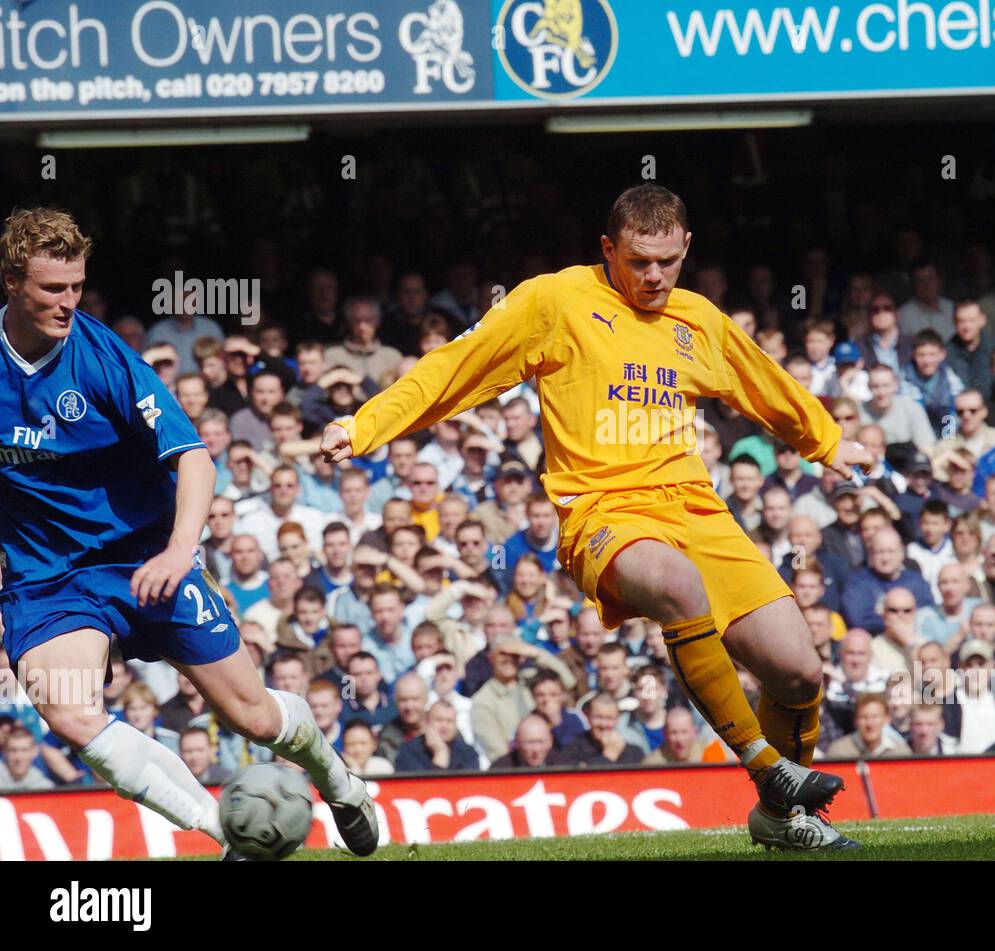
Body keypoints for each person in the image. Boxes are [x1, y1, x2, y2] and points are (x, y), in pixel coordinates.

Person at [321, 185, 874, 850]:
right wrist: (364, 425)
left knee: (800, 672)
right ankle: (764, 764)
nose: (654, 276)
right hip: (602, 512)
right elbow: (453, 368)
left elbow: (766, 382)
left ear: (686, 249)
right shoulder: (553, 301)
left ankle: (779, 820)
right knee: (676, 586)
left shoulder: (697, 319)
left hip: (696, 508)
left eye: (668, 261)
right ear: (607, 248)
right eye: (639, 261)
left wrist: (828, 440)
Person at [0, 209, 376, 860]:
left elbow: (194, 457)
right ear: (10, 281)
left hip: (148, 556)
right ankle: (226, 830)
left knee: (253, 716)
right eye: (51, 289)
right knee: (70, 711)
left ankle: (339, 781)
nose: (69, 302)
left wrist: (179, 550)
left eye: (76, 286)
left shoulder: (104, 359)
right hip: (47, 578)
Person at [394, 700, 480, 772]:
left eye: (450, 721)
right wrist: (441, 752)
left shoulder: (468, 754)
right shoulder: (409, 752)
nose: (444, 726)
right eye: (439, 720)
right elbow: (421, 789)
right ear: (427, 722)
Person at [825, 693, 910, 758]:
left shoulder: (900, 753)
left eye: (875, 717)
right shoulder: (839, 752)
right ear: (855, 720)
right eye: (864, 717)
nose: (870, 723)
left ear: (886, 719)